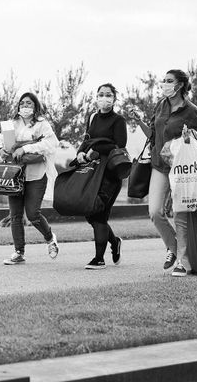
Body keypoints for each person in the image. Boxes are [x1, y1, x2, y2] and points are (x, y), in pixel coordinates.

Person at [133, 69, 197, 276]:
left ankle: (183, 260)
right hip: (159, 166)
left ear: (180, 84)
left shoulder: (192, 111)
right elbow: (153, 137)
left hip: (180, 169)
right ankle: (173, 248)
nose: (164, 84)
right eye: (163, 80)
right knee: (155, 212)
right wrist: (139, 121)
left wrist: (190, 134)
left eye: (169, 81)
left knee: (180, 215)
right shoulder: (161, 105)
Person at [0, 92, 60, 265]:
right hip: (15, 175)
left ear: (35, 106)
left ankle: (50, 238)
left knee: (33, 214)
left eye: (29, 103)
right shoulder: (12, 123)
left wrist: (25, 148)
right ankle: (18, 252)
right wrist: (1, 149)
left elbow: (51, 144)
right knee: (15, 216)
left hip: (36, 176)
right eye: (22, 103)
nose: (25, 106)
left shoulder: (43, 124)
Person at [75, 83, 127, 270]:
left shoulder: (118, 120)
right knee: (91, 214)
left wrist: (95, 149)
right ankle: (114, 242)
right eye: (100, 94)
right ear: (96, 97)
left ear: (114, 98)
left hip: (110, 173)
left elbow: (119, 145)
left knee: (99, 214)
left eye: (108, 95)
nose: (104, 98)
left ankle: (99, 258)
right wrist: (80, 152)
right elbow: (86, 139)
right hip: (93, 171)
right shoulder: (92, 117)